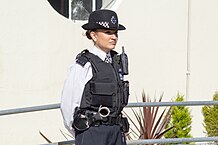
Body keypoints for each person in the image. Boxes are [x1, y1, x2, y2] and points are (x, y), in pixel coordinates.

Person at [60, 9, 129, 145]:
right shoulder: (83, 65)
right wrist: (82, 133)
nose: (113, 37)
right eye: (108, 32)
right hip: (92, 133)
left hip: (116, 132)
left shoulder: (116, 62)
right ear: (93, 35)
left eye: (115, 32)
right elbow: (68, 105)